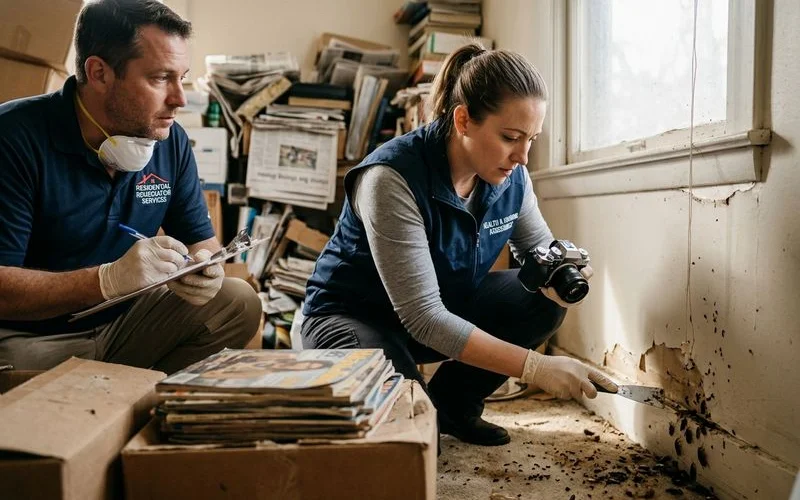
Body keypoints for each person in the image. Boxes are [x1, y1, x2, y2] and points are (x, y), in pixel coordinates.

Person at [302, 43, 618, 446]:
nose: (522, 156)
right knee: (411, 435)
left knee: (541, 300)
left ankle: (453, 408)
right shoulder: (391, 178)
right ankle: (424, 414)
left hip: (435, 308)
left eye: (532, 139)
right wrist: (536, 367)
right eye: (510, 137)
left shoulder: (511, 177)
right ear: (464, 120)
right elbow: (425, 318)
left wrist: (562, 273)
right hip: (352, 318)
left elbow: (538, 252)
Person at [0, 0, 261, 374]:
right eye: (160, 79)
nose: (180, 99)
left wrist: (206, 269)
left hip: (124, 326)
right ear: (99, 73)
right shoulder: (13, 137)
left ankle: (126, 402)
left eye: (182, 78)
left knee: (237, 300)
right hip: (29, 340)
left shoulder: (169, 141)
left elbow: (202, 245)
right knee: (14, 367)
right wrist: (107, 280)